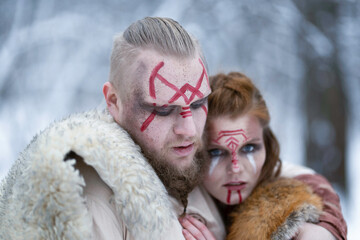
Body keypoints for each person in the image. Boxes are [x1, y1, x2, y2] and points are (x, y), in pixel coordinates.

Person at [0, 17, 345, 240]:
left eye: (198, 104)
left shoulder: (183, 155)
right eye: (163, 109)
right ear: (114, 102)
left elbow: (276, 173)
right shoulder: (87, 204)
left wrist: (319, 220)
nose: (188, 129)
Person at [180, 72, 347, 239]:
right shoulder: (174, 197)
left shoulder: (309, 186)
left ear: (267, 145)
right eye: (216, 152)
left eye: (249, 148)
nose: (235, 168)